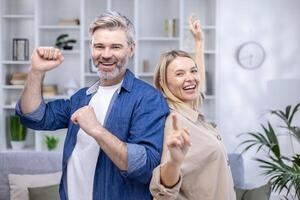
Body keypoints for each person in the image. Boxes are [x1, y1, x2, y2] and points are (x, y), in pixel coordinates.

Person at [16, 11, 169, 200]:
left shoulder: (148, 98)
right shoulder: (81, 97)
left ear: (131, 49)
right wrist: (36, 71)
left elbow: (146, 167)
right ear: (91, 49)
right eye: (99, 46)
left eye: (115, 47)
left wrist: (97, 130)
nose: (106, 55)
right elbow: (34, 117)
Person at [149, 16, 236, 200]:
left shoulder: (190, 107)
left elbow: (199, 81)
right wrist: (174, 161)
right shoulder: (175, 121)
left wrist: (199, 42)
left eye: (193, 71)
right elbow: (163, 192)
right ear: (164, 83)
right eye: (180, 74)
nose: (190, 78)